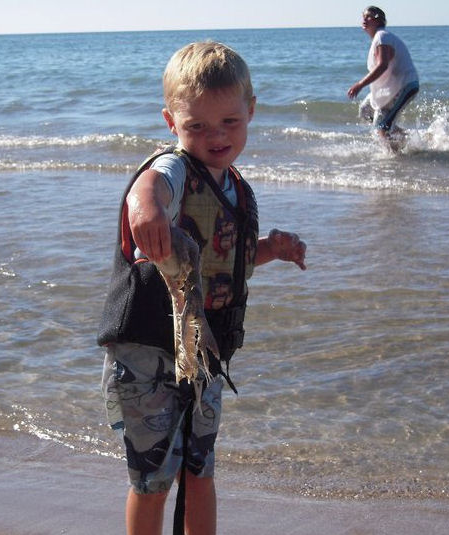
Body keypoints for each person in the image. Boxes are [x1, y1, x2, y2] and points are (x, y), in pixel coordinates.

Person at [98, 41, 306, 535]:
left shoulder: (234, 186)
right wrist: (146, 210)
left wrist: (269, 249)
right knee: (153, 478)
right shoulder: (174, 169)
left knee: (199, 472)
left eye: (229, 122)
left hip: (205, 353)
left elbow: (223, 264)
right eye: (196, 126)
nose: (215, 136)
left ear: (251, 110)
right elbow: (151, 184)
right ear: (172, 123)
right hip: (148, 352)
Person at [347, 6, 419, 151]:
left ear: (378, 19)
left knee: (381, 126)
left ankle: (394, 156)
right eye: (363, 16)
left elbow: (382, 65)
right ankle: (405, 138)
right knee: (365, 110)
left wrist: (360, 84)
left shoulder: (382, 36)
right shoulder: (379, 38)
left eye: (368, 16)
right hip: (389, 88)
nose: (364, 19)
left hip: (404, 86)